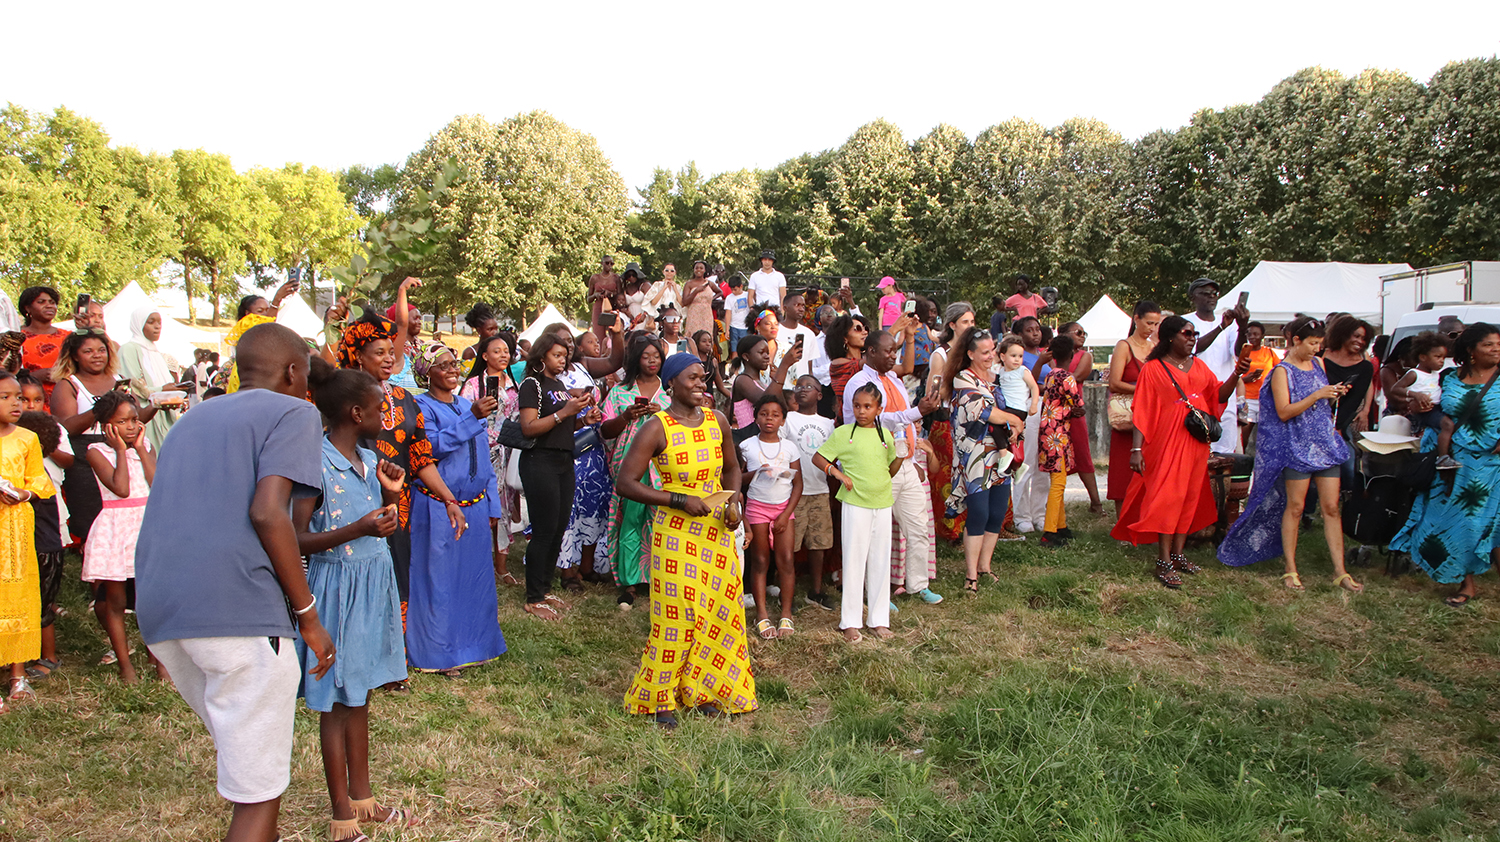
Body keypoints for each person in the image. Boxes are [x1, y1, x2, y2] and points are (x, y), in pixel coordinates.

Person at [136, 323, 335, 842]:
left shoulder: (190, 419)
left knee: (248, 760)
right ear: (293, 372)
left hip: (163, 610)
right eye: (306, 375)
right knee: (256, 795)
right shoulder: (295, 411)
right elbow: (270, 513)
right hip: (238, 612)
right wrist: (308, 616)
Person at [294, 360, 413, 842]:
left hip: (372, 583)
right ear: (356, 412)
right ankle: (341, 812)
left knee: (359, 694)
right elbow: (296, 538)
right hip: (337, 590)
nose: (387, 416)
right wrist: (359, 528)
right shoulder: (316, 464)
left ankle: (363, 798)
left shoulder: (368, 459)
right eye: (380, 408)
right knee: (336, 703)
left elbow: (379, 526)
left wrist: (390, 497)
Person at [615, 352, 753, 729]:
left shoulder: (717, 420)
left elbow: (732, 468)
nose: (699, 384)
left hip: (715, 531)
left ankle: (703, 690)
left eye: (702, 377)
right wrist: (678, 500)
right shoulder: (656, 427)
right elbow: (625, 483)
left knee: (716, 612)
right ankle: (658, 697)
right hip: (675, 533)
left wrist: (733, 502)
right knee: (676, 615)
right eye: (691, 378)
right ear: (671, 383)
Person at [336, 311, 466, 651]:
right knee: (356, 572)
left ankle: (394, 653)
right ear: (358, 356)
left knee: (396, 573)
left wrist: (449, 499)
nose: (388, 358)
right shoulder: (340, 399)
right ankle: (354, 649)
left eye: (390, 352)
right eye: (378, 352)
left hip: (399, 506)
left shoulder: (405, 399)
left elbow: (421, 458)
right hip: (351, 501)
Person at [1218, 317, 1361, 591]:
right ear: (1296, 340)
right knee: (1295, 507)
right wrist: (1317, 394)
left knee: (1331, 508)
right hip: (1296, 447)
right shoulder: (1281, 372)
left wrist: (1333, 393)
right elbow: (1284, 412)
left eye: (1319, 344)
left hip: (1324, 444)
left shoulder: (1318, 364)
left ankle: (1340, 571)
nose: (1317, 349)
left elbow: (1320, 402)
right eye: (1312, 343)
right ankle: (1290, 569)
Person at [1111, 316, 1247, 588]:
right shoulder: (1153, 368)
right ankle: (1163, 560)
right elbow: (1142, 410)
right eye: (1187, 333)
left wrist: (1237, 374)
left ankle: (1178, 554)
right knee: (1166, 499)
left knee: (1188, 498)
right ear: (1170, 337)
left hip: (1195, 442)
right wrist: (1136, 449)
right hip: (1165, 442)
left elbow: (1219, 396)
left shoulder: (1199, 365)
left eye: (1194, 334)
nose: (1192, 338)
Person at [408, 343, 504, 675]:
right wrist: (471, 418)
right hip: (438, 505)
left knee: (474, 579)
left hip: (475, 506)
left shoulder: (465, 404)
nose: (452, 370)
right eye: (444, 365)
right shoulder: (421, 406)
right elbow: (429, 448)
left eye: (454, 364)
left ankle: (475, 645)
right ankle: (439, 654)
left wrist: (492, 502)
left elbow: (484, 455)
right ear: (426, 373)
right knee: (440, 580)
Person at [1390, 324, 1500, 607]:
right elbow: (1426, 407)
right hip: (1450, 462)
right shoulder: (1447, 377)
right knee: (1456, 522)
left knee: (1491, 522)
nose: (1496, 349)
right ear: (1471, 351)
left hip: (1492, 463)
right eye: (1488, 344)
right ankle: (1466, 582)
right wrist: (1418, 405)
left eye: (1498, 344)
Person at [843, 331, 944, 604]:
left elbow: (902, 424)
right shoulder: (859, 383)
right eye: (887, 351)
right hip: (876, 467)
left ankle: (918, 584)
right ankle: (875, 593)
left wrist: (912, 458)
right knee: (876, 533)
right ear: (870, 352)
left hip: (905, 463)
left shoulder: (895, 380)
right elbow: (878, 420)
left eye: (894, 351)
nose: (893, 356)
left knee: (918, 526)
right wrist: (918, 411)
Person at [82, 390, 166, 682]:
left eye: (133, 419)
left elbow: (157, 483)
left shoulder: (146, 446)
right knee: (116, 601)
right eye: (122, 422)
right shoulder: (96, 452)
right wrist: (120, 450)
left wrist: (140, 449)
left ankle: (160, 663)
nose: (130, 427)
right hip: (117, 529)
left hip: (146, 525)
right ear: (106, 425)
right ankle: (126, 666)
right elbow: (121, 489)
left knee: (149, 600)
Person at [814, 383, 904, 642]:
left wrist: (901, 455)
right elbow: (819, 458)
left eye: (867, 406)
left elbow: (890, 469)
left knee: (880, 560)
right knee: (854, 561)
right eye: (857, 406)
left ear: (879, 409)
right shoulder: (844, 433)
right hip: (855, 504)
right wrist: (838, 474)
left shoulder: (885, 435)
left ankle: (878, 620)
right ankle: (850, 622)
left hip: (882, 503)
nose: (861, 411)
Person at [516, 333, 593, 620]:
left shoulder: (559, 386)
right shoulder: (532, 384)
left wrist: (583, 420)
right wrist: (566, 412)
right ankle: (534, 597)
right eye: (556, 355)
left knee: (558, 529)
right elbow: (529, 427)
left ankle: (545, 588)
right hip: (540, 461)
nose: (562, 360)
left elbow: (561, 426)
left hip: (563, 460)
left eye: (565, 355)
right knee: (544, 530)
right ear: (541, 356)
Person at [51, 330, 150, 547]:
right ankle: (93, 555)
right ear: (75, 355)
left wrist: (157, 405)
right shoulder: (68, 384)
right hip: (85, 452)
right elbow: (66, 427)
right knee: (90, 511)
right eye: (88, 351)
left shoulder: (119, 380)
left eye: (102, 350)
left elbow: (137, 417)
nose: (97, 355)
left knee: (125, 503)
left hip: (123, 448)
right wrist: (102, 407)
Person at [943, 329, 1024, 593]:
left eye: (992, 350)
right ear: (970, 354)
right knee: (979, 512)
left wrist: (1013, 426)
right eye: (985, 352)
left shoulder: (998, 378)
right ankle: (971, 575)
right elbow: (985, 412)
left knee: (997, 512)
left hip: (1000, 455)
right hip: (975, 457)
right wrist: (1014, 420)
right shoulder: (963, 379)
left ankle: (984, 567)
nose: (991, 356)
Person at [601, 335, 670, 608]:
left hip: (662, 468)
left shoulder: (671, 393)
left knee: (659, 521)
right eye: (646, 356)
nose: (652, 361)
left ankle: (658, 579)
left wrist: (663, 415)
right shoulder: (619, 392)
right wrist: (626, 416)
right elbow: (605, 431)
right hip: (629, 466)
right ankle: (629, 583)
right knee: (630, 521)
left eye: (656, 356)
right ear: (635, 359)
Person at [0, 371, 54, 713]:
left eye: (18, 397)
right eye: (5, 397)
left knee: (18, 595)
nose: (16, 403)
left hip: (16, 528)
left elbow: (39, 480)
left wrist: (24, 493)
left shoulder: (27, 439)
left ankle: (17, 674)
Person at [16, 375, 68, 681]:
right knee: (37, 605)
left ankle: (47, 657)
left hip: (41, 549)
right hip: (42, 547)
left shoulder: (37, 476)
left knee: (40, 607)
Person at [460, 333, 521, 586]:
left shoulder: (514, 385)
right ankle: (479, 563)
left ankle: (502, 567)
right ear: (484, 356)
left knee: (503, 508)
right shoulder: (473, 385)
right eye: (497, 351)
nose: (503, 355)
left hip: (507, 454)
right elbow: (463, 417)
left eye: (506, 351)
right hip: (480, 453)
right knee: (483, 508)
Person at [741, 393, 803, 640]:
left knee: (786, 560)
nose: (769, 419)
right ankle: (762, 614)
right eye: (764, 414)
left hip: (783, 509)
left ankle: (786, 612)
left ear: (783, 420)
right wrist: (757, 472)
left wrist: (786, 514)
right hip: (757, 508)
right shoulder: (747, 446)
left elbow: (798, 484)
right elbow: (737, 479)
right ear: (756, 417)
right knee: (760, 561)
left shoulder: (789, 447)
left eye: (776, 415)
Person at [783, 375, 836, 610]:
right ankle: (787, 591)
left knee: (819, 543)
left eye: (809, 386)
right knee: (790, 545)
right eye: (799, 386)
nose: (803, 389)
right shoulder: (788, 419)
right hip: (793, 492)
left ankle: (815, 591)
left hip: (819, 490)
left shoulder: (828, 424)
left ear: (819, 395)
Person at [1182, 277, 1249, 454]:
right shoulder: (1184, 321)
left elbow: (1237, 351)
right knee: (1196, 449)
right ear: (1193, 297)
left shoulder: (1230, 323)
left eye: (1214, 293)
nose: (1211, 297)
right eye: (1205, 293)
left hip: (1224, 395)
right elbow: (1193, 348)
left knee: (1224, 452)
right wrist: (1220, 327)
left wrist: (1242, 327)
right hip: (1195, 395)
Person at [1107, 301, 1161, 516]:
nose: (1152, 328)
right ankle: (1122, 520)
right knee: (1122, 472)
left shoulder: (1154, 348)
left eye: (1156, 324)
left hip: (1149, 417)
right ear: (1136, 319)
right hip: (1127, 417)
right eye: (1149, 323)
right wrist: (1142, 389)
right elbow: (1114, 383)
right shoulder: (1124, 346)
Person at [1038, 335, 1086, 548]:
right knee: (1059, 483)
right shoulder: (1068, 378)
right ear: (1072, 354)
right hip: (1059, 434)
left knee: (1057, 479)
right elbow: (1078, 406)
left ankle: (1061, 525)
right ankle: (1049, 532)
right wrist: (1074, 410)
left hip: (1047, 432)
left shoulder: (1050, 375)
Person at [118, 306, 188, 451]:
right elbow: (132, 386)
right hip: (144, 415)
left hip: (163, 415)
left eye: (159, 322)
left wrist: (173, 392)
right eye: (151, 322)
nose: (157, 326)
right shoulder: (129, 349)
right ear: (139, 324)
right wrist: (162, 390)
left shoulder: (155, 352)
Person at [1010, 316, 1053, 532]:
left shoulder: (1043, 355)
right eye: (1029, 330)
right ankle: (1021, 515)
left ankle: (1039, 513)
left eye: (1037, 329)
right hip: (1028, 407)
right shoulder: (1018, 356)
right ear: (1019, 335)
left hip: (1047, 408)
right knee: (1026, 462)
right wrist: (1040, 364)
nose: (1035, 333)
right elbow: (1025, 383)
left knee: (1043, 464)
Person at [1057, 322, 1104, 513]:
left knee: (1083, 454)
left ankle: (1096, 502)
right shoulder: (1053, 355)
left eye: (1084, 333)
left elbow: (1075, 377)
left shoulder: (1085, 356)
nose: (1082, 336)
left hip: (1075, 410)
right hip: (1055, 411)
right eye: (1078, 332)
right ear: (1063, 334)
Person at [1387, 331, 1449, 434]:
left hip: (1437, 407)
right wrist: (1415, 395)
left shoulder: (1435, 374)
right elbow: (1395, 389)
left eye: (1443, 358)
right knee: (1447, 425)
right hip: (1425, 410)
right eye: (1438, 357)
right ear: (1423, 357)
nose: (1442, 361)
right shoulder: (1414, 374)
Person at [731, 334, 797, 428]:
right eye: (761, 353)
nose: (767, 356)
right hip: (749, 435)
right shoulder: (742, 380)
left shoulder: (762, 383)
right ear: (746, 356)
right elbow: (766, 403)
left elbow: (782, 407)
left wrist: (776, 378)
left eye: (767, 353)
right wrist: (784, 366)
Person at [1238, 321, 1279, 453]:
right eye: (1249, 334)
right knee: (1243, 433)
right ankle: (1242, 458)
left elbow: (1279, 370)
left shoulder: (1269, 352)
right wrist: (1245, 379)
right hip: (1246, 399)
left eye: (1256, 334)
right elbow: (1233, 375)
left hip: (1265, 399)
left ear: (1262, 336)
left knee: (1265, 435)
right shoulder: (1242, 352)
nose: (1252, 337)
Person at [17, 286, 65, 394]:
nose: (49, 306)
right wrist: (34, 376)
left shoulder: (68, 337)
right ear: (27, 308)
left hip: (61, 396)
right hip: (27, 396)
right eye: (41, 302)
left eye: (52, 302)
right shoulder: (16, 337)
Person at [825, 314, 871, 423]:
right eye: (858, 329)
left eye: (865, 328)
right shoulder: (838, 365)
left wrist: (908, 336)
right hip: (849, 424)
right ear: (844, 338)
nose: (865, 332)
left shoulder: (867, 361)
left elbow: (906, 369)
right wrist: (893, 330)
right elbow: (876, 358)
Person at [385, 276, 424, 393]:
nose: (419, 322)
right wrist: (402, 290)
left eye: (419, 318)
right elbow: (401, 324)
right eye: (414, 318)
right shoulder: (395, 351)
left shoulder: (422, 345)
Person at [587, 256, 622, 342]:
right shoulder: (595, 278)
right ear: (602, 263)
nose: (609, 265)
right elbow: (588, 299)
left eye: (611, 264)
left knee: (612, 333)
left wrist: (610, 294)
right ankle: (599, 349)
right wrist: (596, 295)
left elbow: (620, 295)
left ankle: (610, 349)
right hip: (598, 307)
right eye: (607, 263)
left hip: (611, 307)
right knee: (598, 333)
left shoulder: (616, 278)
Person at [235, 279, 303, 322]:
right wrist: (277, 299)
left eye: (268, 310)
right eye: (260, 311)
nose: (265, 314)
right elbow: (268, 324)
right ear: (247, 313)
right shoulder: (245, 330)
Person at [681, 260, 716, 340]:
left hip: (707, 314)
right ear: (694, 270)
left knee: (706, 336)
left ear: (705, 270)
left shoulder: (709, 283)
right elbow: (685, 302)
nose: (698, 270)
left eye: (701, 268)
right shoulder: (689, 284)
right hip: (694, 314)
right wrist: (696, 291)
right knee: (693, 336)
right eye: (696, 268)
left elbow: (720, 292)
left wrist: (711, 300)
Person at [725, 277, 750, 358]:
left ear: (741, 286)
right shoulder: (729, 298)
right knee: (734, 350)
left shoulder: (748, 295)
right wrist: (727, 329)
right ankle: (734, 365)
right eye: (732, 289)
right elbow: (728, 313)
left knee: (746, 350)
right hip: (734, 327)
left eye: (735, 289)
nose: (733, 292)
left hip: (746, 327)